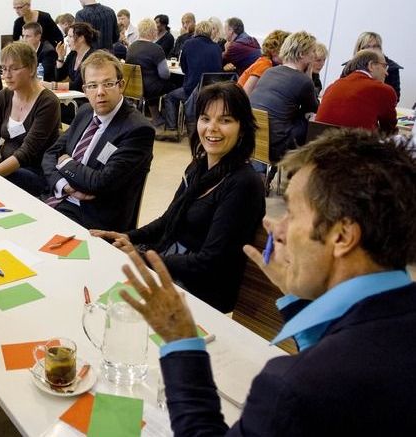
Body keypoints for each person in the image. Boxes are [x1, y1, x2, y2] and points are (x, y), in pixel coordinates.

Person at [119, 128, 416, 435]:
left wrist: (181, 343)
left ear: (342, 236)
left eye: (292, 213)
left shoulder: (293, 389)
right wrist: (299, 296)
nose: (275, 226)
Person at [93, 82, 265, 312]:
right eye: (205, 119)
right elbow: (167, 220)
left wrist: (144, 257)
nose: (212, 128)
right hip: (172, 268)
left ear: (242, 128)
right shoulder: (199, 167)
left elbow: (210, 262)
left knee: (111, 307)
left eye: (225, 120)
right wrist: (126, 237)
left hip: (200, 293)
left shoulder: (244, 184)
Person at [42, 51, 154, 232]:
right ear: (85, 90)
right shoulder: (85, 112)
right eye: (93, 85)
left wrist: (66, 162)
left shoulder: (138, 130)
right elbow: (50, 154)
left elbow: (101, 183)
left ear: (121, 85)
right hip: (60, 196)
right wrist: (64, 186)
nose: (100, 92)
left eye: (108, 84)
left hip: (94, 218)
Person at [0, 42, 60, 196]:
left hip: (36, 173)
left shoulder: (48, 102)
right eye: (4, 68)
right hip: (7, 168)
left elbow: (27, 153)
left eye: (14, 68)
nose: (7, 75)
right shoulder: (4, 96)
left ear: (32, 69)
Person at [250, 31, 318, 163]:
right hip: (278, 147)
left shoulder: (269, 71)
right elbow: (314, 109)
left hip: (253, 140)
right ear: (302, 54)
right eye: (312, 51)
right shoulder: (304, 81)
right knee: (311, 122)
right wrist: (309, 75)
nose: (314, 56)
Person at [159, 20, 223, 139]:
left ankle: (172, 130)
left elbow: (183, 68)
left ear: (197, 30)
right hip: (212, 91)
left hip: (192, 90)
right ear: (210, 32)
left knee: (170, 97)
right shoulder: (217, 48)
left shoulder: (189, 44)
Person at [316, 50, 397, 133]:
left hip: (320, 143)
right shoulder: (384, 90)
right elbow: (389, 131)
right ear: (371, 65)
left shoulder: (332, 87)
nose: (386, 73)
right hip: (356, 144)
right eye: (384, 66)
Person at [126, 18, 171, 126]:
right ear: (152, 32)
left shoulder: (132, 47)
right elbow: (165, 74)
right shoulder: (156, 49)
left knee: (152, 84)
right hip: (150, 88)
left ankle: (155, 116)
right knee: (173, 85)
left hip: (133, 87)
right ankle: (164, 118)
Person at [51, 22, 96, 123]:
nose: (67, 39)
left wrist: (51, 85)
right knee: (51, 106)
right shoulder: (73, 54)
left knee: (55, 109)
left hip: (87, 99)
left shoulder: (92, 57)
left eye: (71, 36)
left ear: (81, 38)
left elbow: (77, 85)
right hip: (76, 97)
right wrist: (60, 58)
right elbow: (59, 76)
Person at [238, 29, 290, 95]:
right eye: (286, 51)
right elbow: (246, 92)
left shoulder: (267, 63)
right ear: (274, 51)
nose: (288, 55)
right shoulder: (265, 64)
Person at [353, 31, 402, 101]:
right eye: (367, 46)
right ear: (359, 49)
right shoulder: (351, 66)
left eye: (376, 46)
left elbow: (395, 98)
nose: (372, 50)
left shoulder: (391, 68)